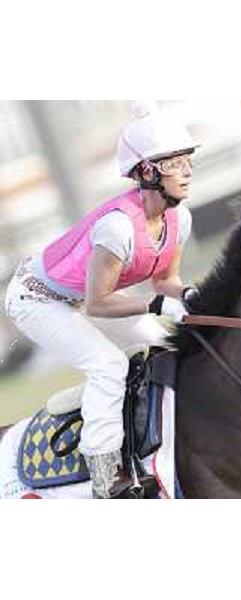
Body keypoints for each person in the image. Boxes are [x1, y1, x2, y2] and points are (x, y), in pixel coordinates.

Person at [3, 101, 199, 498]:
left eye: (187, 161)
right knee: (107, 364)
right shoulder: (116, 228)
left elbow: (165, 282)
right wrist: (153, 305)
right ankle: (105, 471)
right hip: (37, 298)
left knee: (162, 348)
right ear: (147, 171)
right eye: (175, 163)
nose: (188, 171)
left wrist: (190, 294)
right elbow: (98, 304)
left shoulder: (180, 218)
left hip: (81, 295)